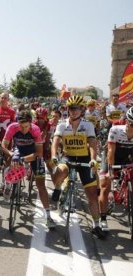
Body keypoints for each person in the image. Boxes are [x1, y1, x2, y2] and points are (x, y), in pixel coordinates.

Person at [50, 95, 104, 239]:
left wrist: (93, 159)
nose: (73, 111)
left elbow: (92, 144)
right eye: (70, 108)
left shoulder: (88, 125)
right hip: (68, 157)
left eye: (76, 108)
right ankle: (57, 188)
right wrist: (54, 156)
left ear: (82, 110)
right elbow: (55, 142)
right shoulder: (62, 125)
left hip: (85, 159)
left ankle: (96, 225)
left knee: (92, 195)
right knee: (60, 171)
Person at [1, 110, 56, 228]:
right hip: (18, 150)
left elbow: (39, 153)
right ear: (17, 123)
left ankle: (48, 216)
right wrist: (11, 154)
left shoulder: (35, 130)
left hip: (33, 153)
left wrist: (24, 160)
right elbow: (4, 145)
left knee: (41, 185)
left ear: (31, 123)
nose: (23, 129)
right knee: (10, 160)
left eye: (26, 126)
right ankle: (8, 184)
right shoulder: (12, 127)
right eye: (21, 126)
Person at [98, 106, 133, 232]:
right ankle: (102, 218)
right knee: (105, 185)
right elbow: (111, 152)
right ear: (127, 121)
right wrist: (111, 171)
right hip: (110, 157)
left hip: (126, 156)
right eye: (132, 124)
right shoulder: (115, 130)